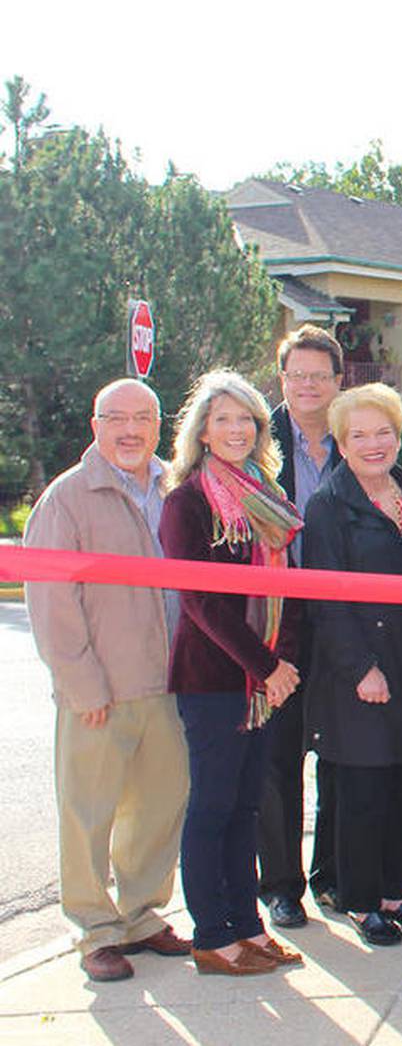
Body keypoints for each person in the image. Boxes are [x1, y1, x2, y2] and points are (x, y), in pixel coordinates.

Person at [23, 379, 191, 983]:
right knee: (88, 813)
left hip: (169, 683)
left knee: (159, 808)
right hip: (100, 690)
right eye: (115, 417)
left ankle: (142, 916)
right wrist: (80, 684)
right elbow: (50, 599)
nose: (129, 429)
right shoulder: (68, 498)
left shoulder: (176, 485)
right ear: (95, 426)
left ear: (157, 425)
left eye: (142, 418)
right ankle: (95, 930)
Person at [161, 370, 306, 975]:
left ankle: (248, 926)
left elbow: (288, 588)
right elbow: (202, 602)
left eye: (246, 418)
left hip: (266, 681)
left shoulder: (264, 492)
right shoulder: (186, 501)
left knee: (248, 806)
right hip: (214, 680)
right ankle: (213, 934)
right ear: (202, 431)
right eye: (223, 419)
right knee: (214, 806)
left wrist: (284, 664)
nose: (236, 429)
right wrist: (266, 666)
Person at [301, 383, 402, 949]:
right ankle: (359, 901)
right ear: (341, 442)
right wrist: (362, 668)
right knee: (364, 789)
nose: (374, 444)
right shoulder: (329, 505)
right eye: (359, 435)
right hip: (360, 674)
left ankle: (396, 894)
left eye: (383, 431)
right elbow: (326, 600)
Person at [261, 324, 343, 930]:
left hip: (346, 622)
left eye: (321, 375)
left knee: (344, 753)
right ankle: (281, 885)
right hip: (277, 626)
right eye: (298, 375)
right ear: (282, 378)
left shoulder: (361, 438)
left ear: (339, 382)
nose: (309, 385)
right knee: (277, 758)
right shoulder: (251, 443)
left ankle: (334, 875)